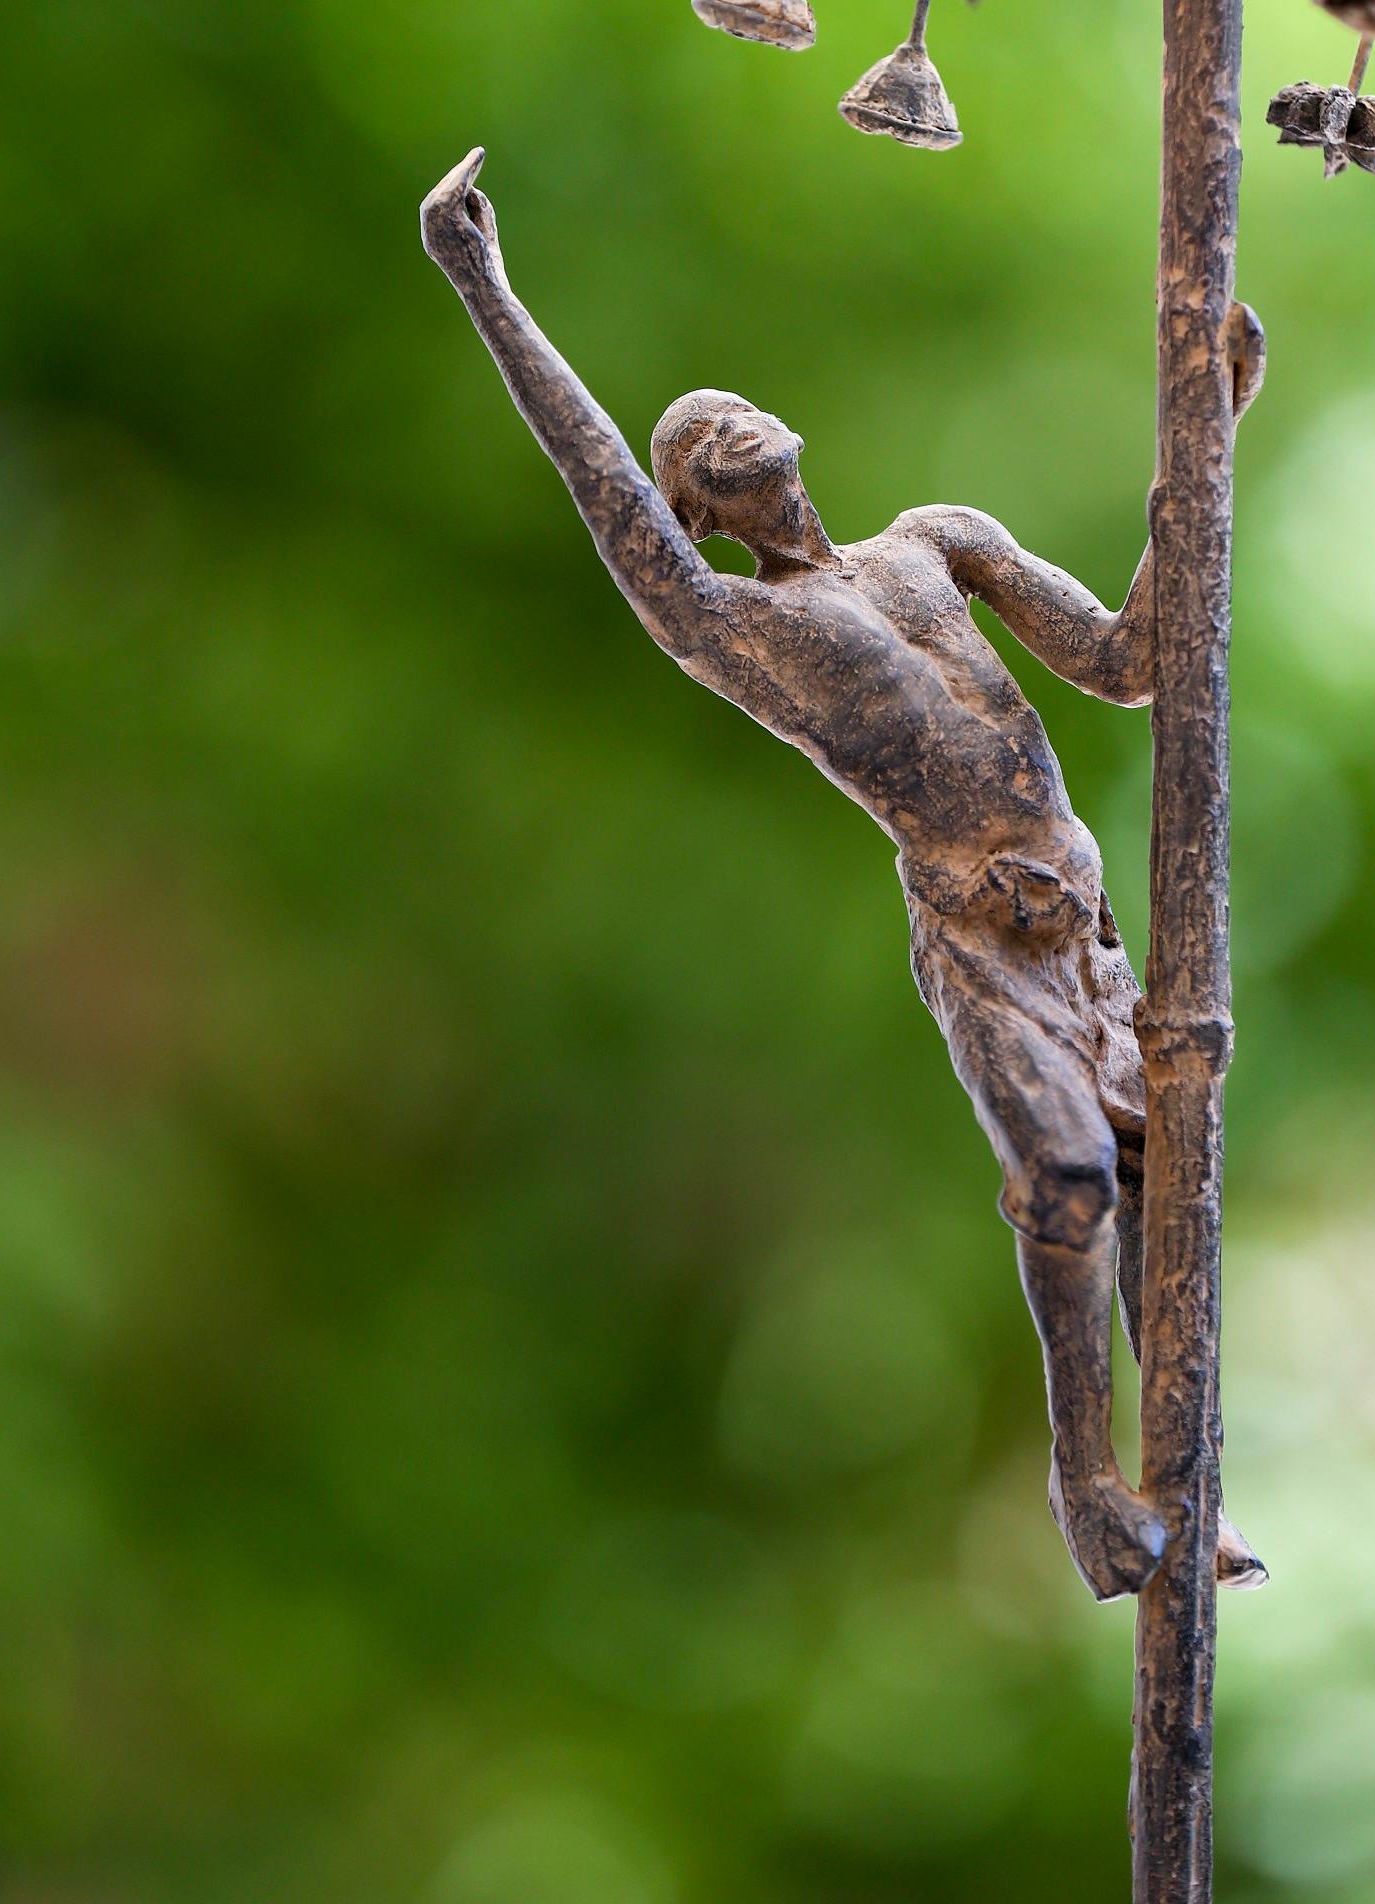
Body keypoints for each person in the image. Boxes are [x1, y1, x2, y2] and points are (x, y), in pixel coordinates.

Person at [421, 147, 1267, 1599]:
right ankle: (1084, 1488)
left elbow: (1132, 660)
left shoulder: (942, 540)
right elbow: (597, 478)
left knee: (1163, 1176)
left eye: (726, 408)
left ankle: (1194, 1486)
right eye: (693, 444)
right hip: (979, 936)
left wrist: (1204, 435)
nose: (719, 423)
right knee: (1069, 1183)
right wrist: (487, 287)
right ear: (693, 512)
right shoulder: (737, 633)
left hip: (1084, 920)